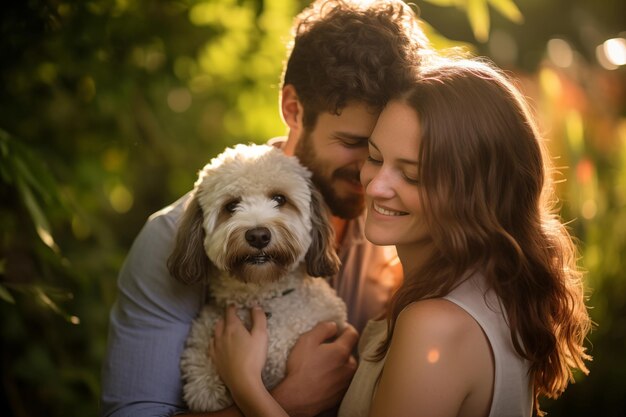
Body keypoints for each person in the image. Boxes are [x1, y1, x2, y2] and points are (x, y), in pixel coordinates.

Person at [210, 57, 592, 417]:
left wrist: (248, 389)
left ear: (474, 194)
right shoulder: (485, 289)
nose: (375, 187)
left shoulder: (435, 325)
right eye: (374, 158)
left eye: (411, 175)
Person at [100, 1, 429, 416]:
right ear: (293, 109)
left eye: (385, 151)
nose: (373, 175)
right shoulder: (170, 237)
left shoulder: (394, 227)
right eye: (352, 143)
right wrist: (286, 400)